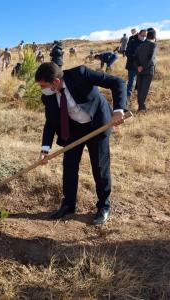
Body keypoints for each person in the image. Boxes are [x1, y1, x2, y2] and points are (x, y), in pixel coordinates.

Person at [35, 62, 127, 225]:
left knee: (99, 167)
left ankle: (103, 206)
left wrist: (119, 110)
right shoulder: (47, 96)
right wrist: (44, 149)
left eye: (44, 85)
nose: (42, 89)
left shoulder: (80, 74)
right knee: (69, 166)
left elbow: (117, 82)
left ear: (56, 81)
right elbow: (50, 123)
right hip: (74, 129)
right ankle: (68, 205)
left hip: (97, 124)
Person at [134, 29, 157, 112]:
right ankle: (141, 107)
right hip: (148, 70)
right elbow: (151, 59)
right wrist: (144, 67)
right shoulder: (154, 45)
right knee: (144, 89)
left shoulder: (139, 46)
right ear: (154, 36)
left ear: (147, 36)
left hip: (139, 70)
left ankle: (141, 106)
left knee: (140, 88)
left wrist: (139, 66)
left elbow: (135, 58)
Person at [125, 29, 147, 100]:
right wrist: (136, 59)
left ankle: (137, 95)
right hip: (132, 66)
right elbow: (127, 53)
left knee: (140, 81)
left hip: (142, 67)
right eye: (142, 35)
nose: (144, 37)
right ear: (138, 34)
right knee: (131, 82)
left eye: (145, 36)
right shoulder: (132, 42)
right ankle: (127, 97)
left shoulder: (146, 43)